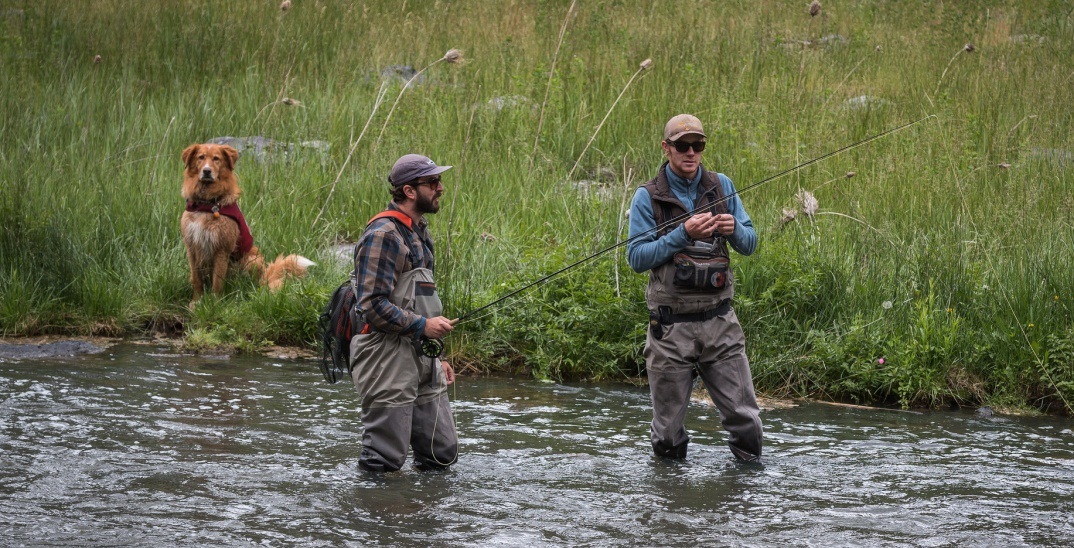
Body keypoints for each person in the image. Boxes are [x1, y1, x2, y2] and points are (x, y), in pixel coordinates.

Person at [626, 114, 763, 462]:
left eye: (698, 145)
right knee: (668, 434)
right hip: (670, 328)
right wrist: (684, 234)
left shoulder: (722, 186)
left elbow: (749, 244)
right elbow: (637, 258)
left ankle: (745, 503)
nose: (691, 152)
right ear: (666, 148)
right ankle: (671, 503)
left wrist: (734, 230)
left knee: (746, 422)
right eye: (683, 145)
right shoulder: (647, 197)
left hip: (721, 324)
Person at [349, 153, 459, 472]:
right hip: (384, 354)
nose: (440, 188)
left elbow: (422, 301)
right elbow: (372, 305)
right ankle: (376, 517)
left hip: (421, 352)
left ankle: (427, 517)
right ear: (409, 191)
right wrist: (423, 326)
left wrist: (437, 357)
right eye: (433, 182)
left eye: (439, 180)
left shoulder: (419, 232)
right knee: (384, 459)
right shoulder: (383, 235)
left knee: (441, 453)